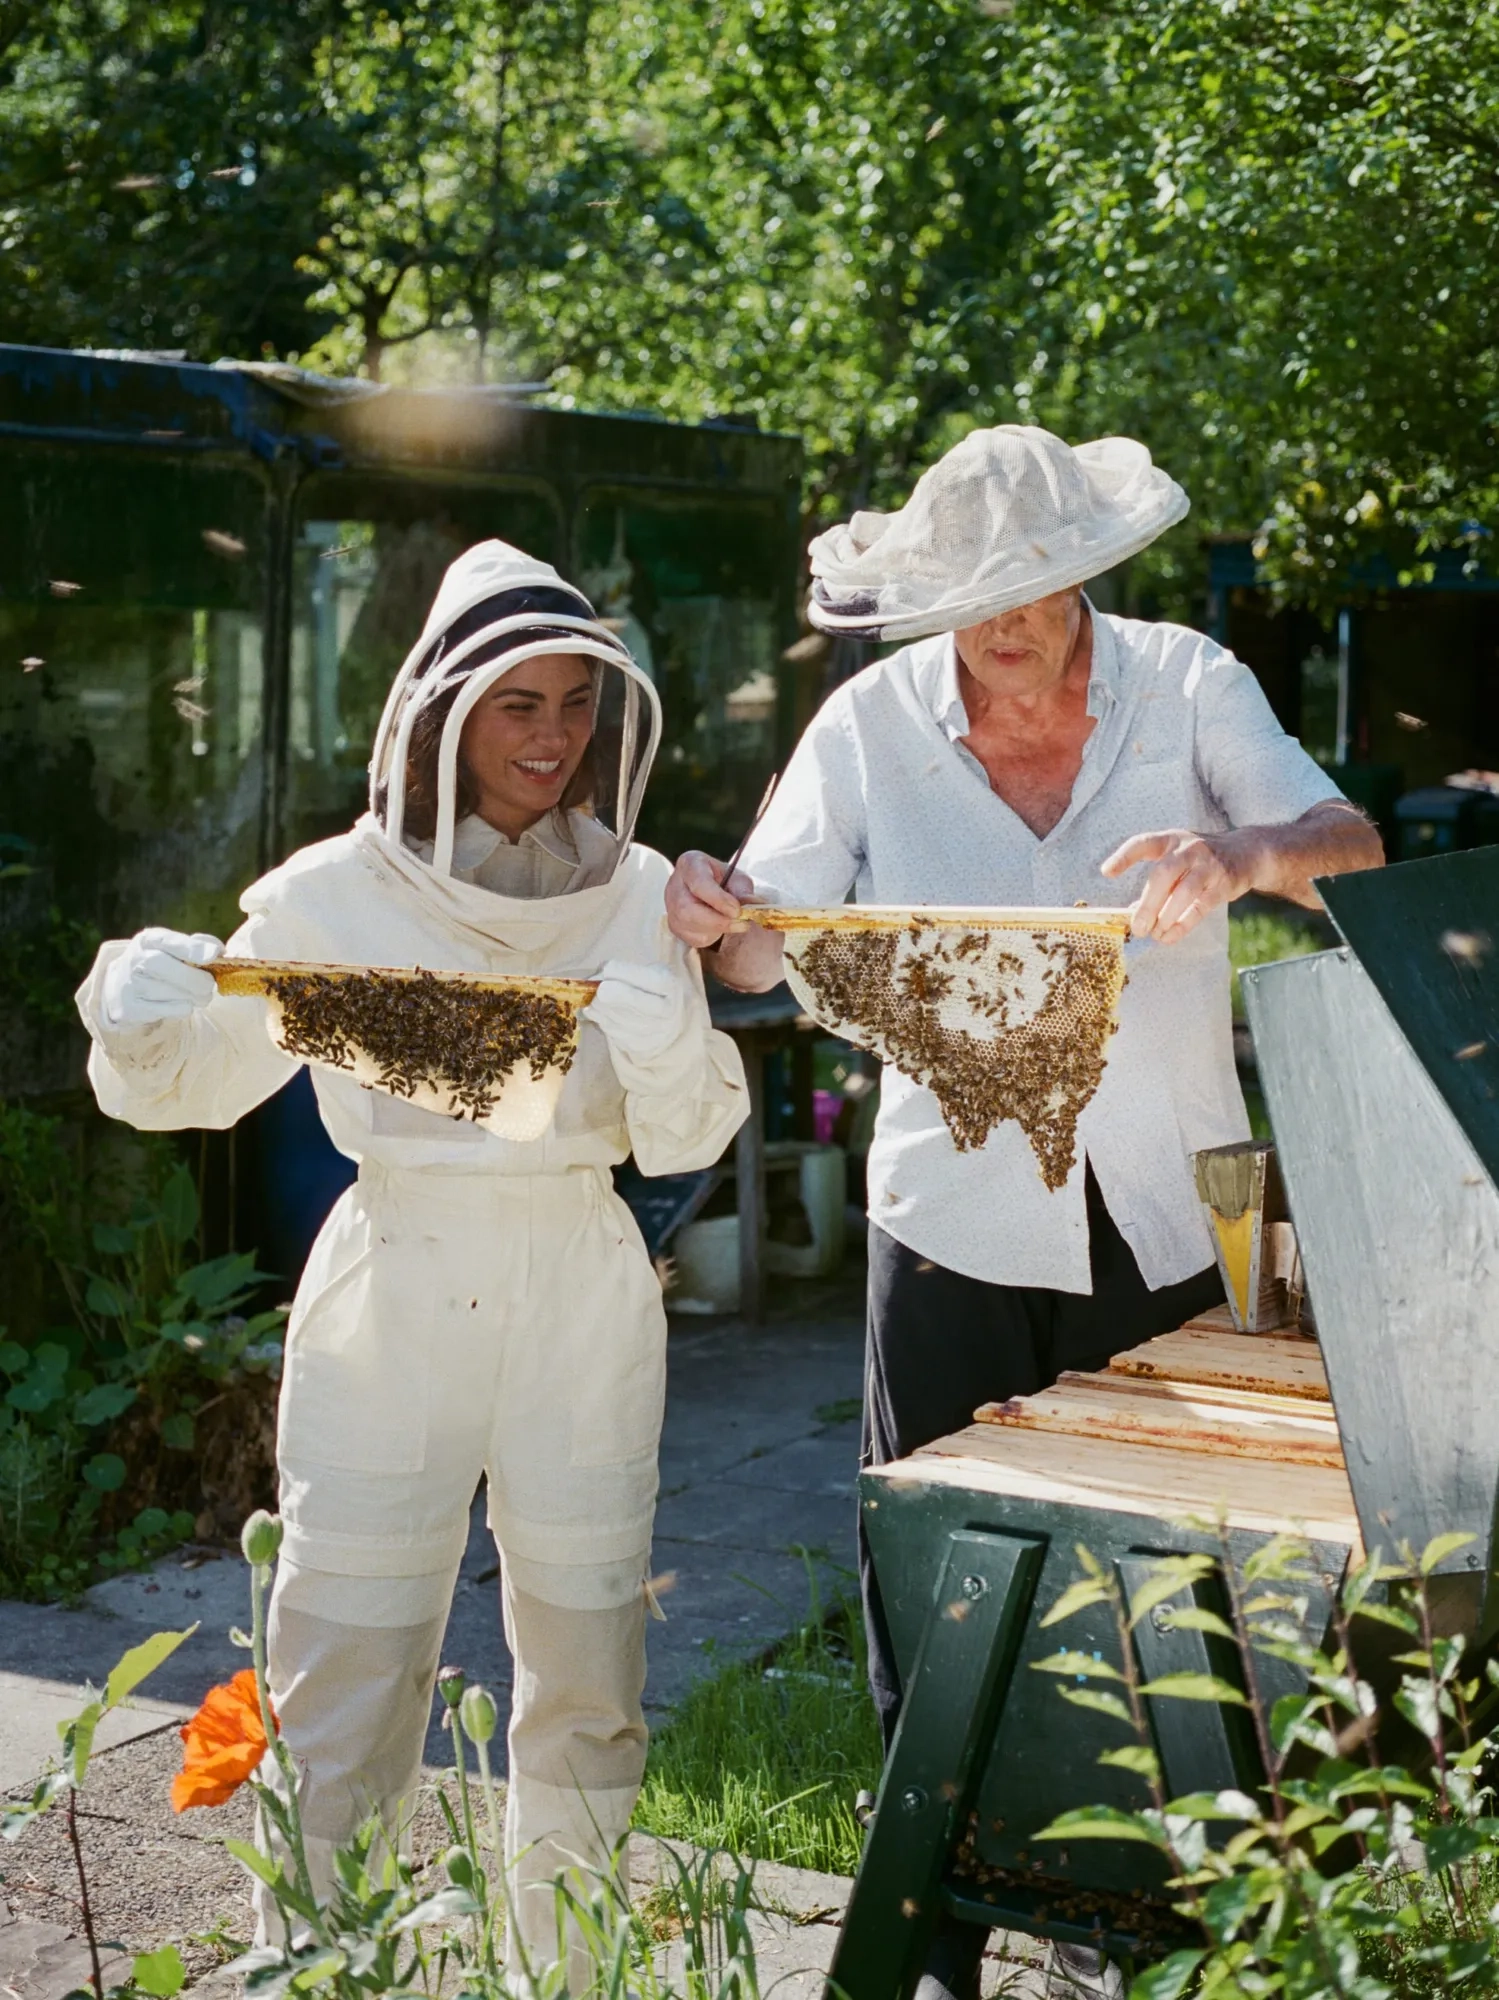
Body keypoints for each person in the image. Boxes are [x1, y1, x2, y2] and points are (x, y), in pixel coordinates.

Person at [664, 426, 1383, 2000]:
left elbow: (1349, 846)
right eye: (967, 594)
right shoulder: (864, 725)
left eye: (1032, 588)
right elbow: (760, 955)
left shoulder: (1187, 681)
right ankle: (944, 1914)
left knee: (1162, 1576)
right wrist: (712, 911)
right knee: (937, 1558)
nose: (1001, 622)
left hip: (1169, 1209)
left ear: (1085, 573)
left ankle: (1146, 1911)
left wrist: (1235, 851)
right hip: (952, 1215)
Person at [76, 540, 747, 1982]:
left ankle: (564, 1967)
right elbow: (186, 1088)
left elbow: (685, 1133)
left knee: (586, 1670)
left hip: (581, 1278)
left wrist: (673, 1034)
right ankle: (331, 1966)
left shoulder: (639, 892)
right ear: (439, 713)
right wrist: (135, 1005)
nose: (552, 737)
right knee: (347, 1666)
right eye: (517, 706)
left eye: (574, 704)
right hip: (395, 1276)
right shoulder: (328, 893)